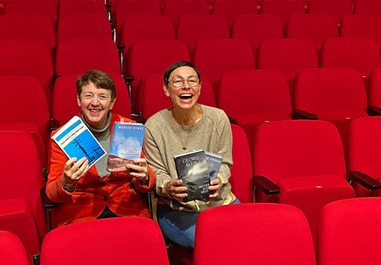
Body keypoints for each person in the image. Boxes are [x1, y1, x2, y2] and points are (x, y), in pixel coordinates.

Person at [143, 61, 238, 248]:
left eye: (192, 80)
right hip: (177, 210)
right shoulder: (153, 126)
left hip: (220, 202)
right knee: (216, 242)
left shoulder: (218, 118)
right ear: (166, 89)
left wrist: (219, 178)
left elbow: (225, 163)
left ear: (200, 88)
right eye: (177, 81)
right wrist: (167, 186)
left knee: (250, 234)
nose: (186, 86)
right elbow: (157, 173)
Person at [45, 70, 155, 228]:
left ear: (112, 102)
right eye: (88, 96)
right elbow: (51, 194)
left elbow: (147, 182)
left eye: (102, 96)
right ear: (78, 100)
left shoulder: (128, 128)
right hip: (82, 213)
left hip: (125, 209)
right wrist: (66, 182)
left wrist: (144, 177)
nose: (95, 103)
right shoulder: (63, 136)